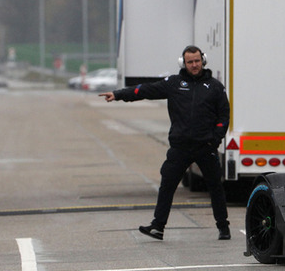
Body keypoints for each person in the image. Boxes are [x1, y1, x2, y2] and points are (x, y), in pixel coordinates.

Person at [99, 45, 231, 241]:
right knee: (167, 185)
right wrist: (118, 94)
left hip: (206, 147)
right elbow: (144, 90)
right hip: (180, 148)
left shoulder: (215, 87)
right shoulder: (174, 83)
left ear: (203, 60)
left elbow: (224, 115)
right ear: (183, 63)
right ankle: (158, 227)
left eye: (197, 61)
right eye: (190, 62)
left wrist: (215, 138)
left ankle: (223, 227)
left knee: (215, 187)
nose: (194, 65)